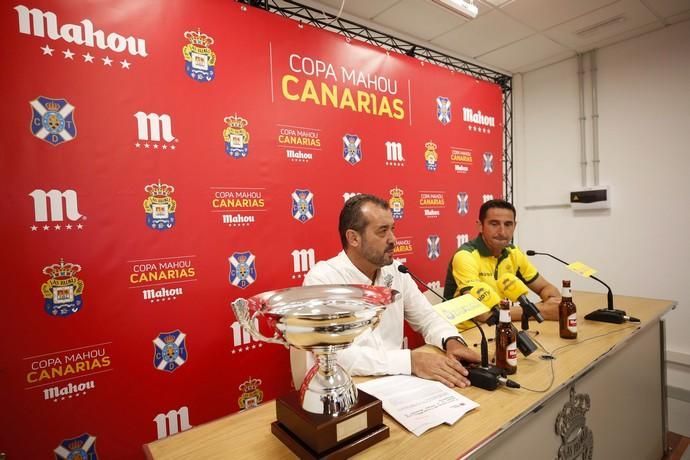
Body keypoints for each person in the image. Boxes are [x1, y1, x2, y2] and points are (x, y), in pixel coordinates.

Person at [291, 194, 480, 390]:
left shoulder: (397, 271)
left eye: (393, 229)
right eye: (382, 232)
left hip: (397, 383)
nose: (393, 239)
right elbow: (334, 355)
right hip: (344, 391)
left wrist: (452, 341)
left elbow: (428, 318)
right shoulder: (323, 280)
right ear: (354, 238)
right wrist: (410, 361)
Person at [443, 199, 561, 321]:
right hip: (464, 331)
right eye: (494, 224)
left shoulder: (514, 253)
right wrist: (540, 311)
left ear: (515, 226)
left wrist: (552, 302)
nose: (502, 232)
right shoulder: (465, 256)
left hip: (501, 326)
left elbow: (545, 288)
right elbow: (481, 314)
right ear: (480, 226)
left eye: (508, 224)